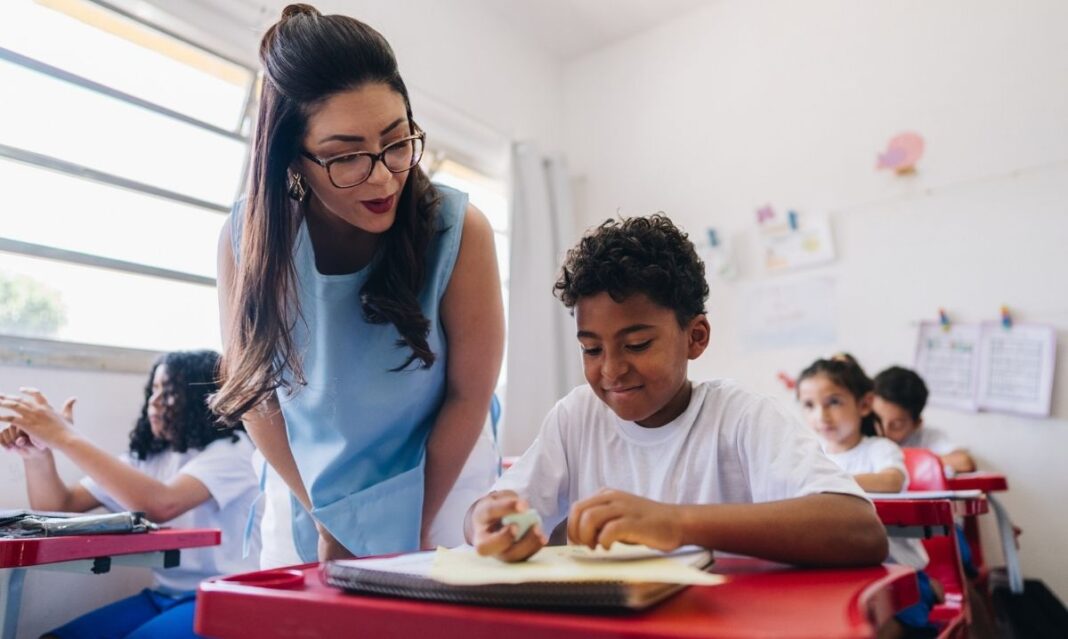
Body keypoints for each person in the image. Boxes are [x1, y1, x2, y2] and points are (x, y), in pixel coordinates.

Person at [209, 4, 504, 564]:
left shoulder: (460, 230)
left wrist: (406, 524)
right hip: (306, 482)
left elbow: (469, 393)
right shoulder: (248, 240)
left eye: (397, 142)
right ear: (292, 159)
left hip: (440, 473)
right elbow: (255, 392)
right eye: (346, 157)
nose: (384, 177)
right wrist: (329, 521)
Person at [464, 214, 887, 567]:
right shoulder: (576, 418)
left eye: (637, 344)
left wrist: (676, 523)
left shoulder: (740, 417)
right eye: (591, 349)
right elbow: (489, 513)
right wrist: (484, 519)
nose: (611, 369)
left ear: (695, 337)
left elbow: (860, 529)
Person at [0, 350, 259, 639]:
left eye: (170, 391)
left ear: (203, 398)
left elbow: (162, 504)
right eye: (154, 390)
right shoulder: (147, 458)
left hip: (226, 595)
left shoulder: (233, 451)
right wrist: (38, 454)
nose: (155, 401)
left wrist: (63, 436)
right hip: (164, 595)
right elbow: (57, 506)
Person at [796, 356, 939, 637]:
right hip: (841, 575)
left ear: (864, 405)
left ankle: (927, 591)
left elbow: (891, 480)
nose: (821, 416)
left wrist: (829, 483)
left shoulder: (879, 449)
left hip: (896, 571)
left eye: (833, 402)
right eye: (809, 405)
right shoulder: (811, 456)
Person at [873, 366, 976, 475]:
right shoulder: (862, 432)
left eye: (896, 425)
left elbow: (964, 462)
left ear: (917, 424)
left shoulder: (927, 437)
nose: (883, 431)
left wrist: (900, 463)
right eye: (876, 419)